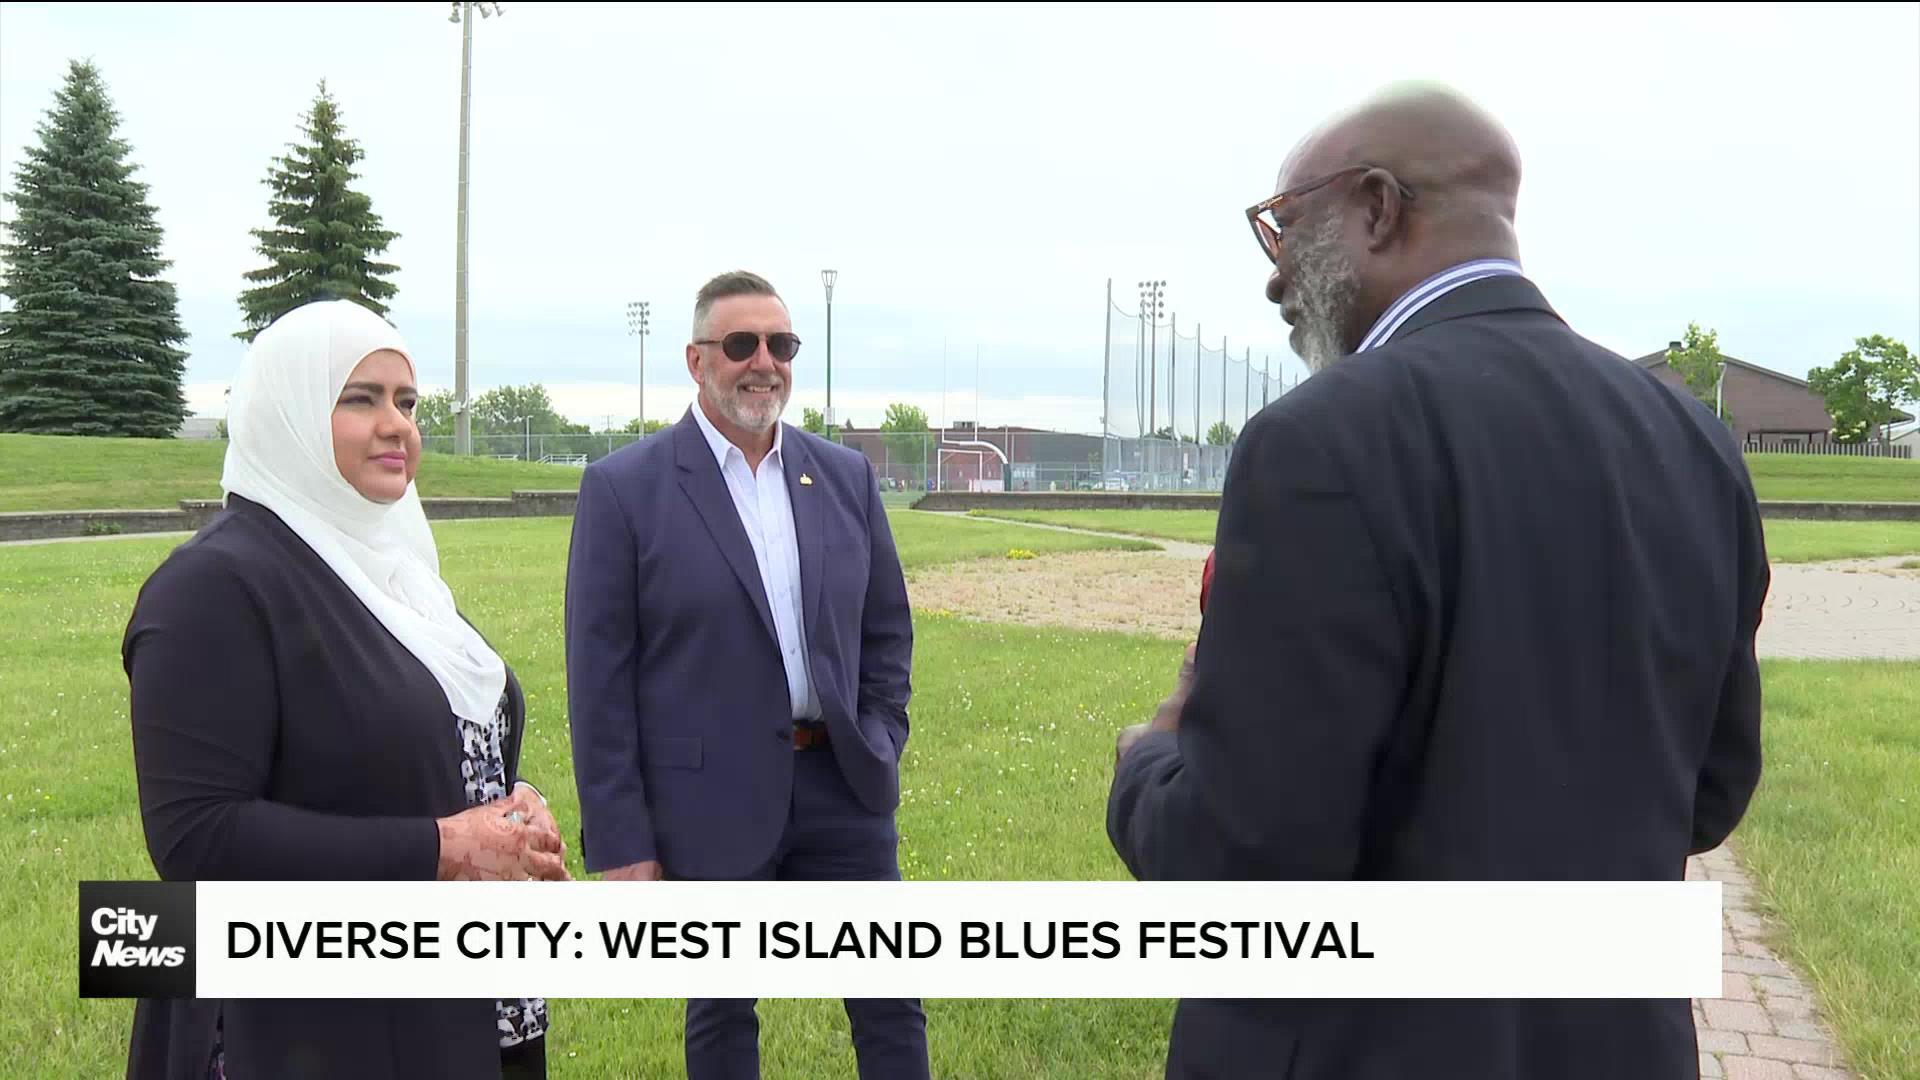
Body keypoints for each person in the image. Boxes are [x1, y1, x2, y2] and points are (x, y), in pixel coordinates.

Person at [1107, 83, 1768, 1080]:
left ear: (1377, 206)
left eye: (1286, 228)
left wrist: (1146, 771)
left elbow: (1248, 874)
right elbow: (1710, 791)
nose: (1277, 279)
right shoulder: (1691, 438)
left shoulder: (1323, 438)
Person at [121, 299, 569, 1080]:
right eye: (360, 398)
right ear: (287, 413)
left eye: (407, 401)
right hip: (309, 1031)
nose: (397, 424)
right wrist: (443, 849)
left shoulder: (394, 575)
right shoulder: (214, 587)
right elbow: (196, 838)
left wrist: (512, 808)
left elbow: (438, 749)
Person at [564, 271, 927, 1080]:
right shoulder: (624, 489)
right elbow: (599, 684)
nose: (764, 362)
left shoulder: (844, 476)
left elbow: (886, 629)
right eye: (741, 345)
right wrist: (623, 840)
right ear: (697, 361)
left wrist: (880, 734)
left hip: (842, 783)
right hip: (708, 794)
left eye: (781, 345)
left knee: (891, 1000)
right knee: (724, 1010)